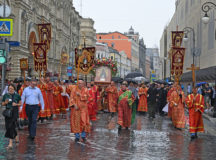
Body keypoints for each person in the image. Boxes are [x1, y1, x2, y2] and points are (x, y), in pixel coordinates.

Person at [2, 84, 21, 149]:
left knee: (11, 126)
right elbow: (2, 103)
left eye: (12, 89)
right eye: (9, 89)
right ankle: (16, 136)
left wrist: (16, 104)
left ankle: (10, 144)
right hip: (8, 112)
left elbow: (20, 103)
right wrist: (5, 102)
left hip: (15, 111)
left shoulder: (17, 95)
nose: (10, 90)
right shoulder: (6, 95)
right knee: (8, 126)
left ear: (14, 89)